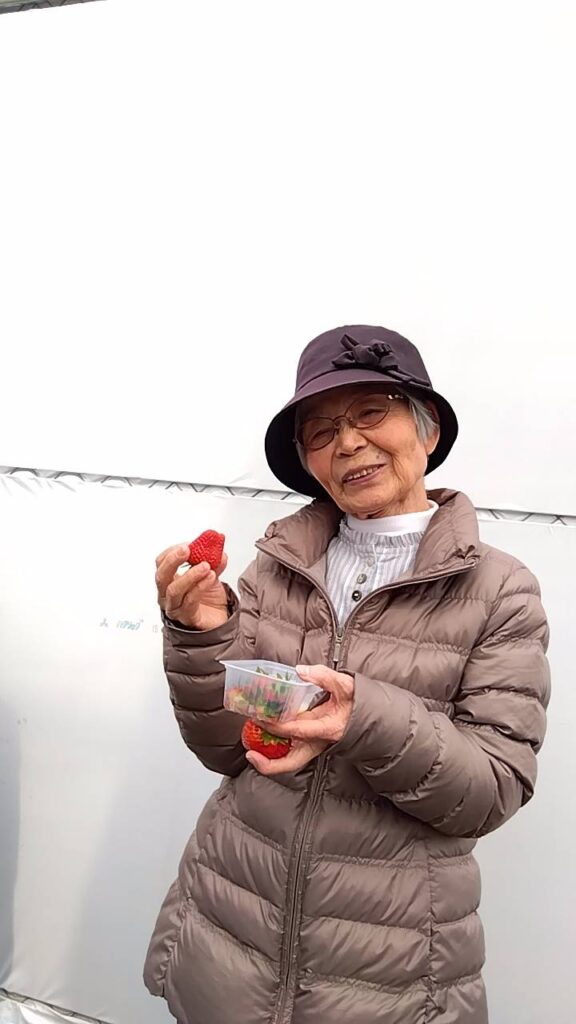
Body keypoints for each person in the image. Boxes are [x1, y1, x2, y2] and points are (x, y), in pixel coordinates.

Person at [143, 324, 550, 1024]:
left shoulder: (501, 591)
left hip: (389, 972)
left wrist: (362, 719)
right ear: (310, 462)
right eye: (322, 431)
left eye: (371, 413)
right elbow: (224, 748)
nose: (349, 442)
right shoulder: (279, 565)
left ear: (427, 431)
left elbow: (490, 790)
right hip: (228, 929)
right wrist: (203, 634)